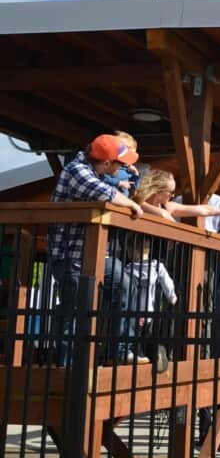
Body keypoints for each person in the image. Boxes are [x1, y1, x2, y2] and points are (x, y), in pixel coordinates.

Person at [48, 134, 144, 365]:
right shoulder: (76, 170)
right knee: (75, 311)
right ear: (108, 162)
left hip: (95, 254)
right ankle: (68, 371)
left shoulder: (95, 171)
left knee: (126, 286)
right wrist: (131, 204)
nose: (124, 167)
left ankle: (120, 350)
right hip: (70, 256)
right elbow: (104, 193)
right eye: (121, 163)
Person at [124, 240, 178, 369]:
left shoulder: (128, 268)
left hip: (134, 312)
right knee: (149, 336)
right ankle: (156, 353)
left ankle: (140, 356)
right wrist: (172, 297)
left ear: (132, 251)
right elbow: (168, 284)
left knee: (135, 341)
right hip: (150, 311)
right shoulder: (156, 266)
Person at [133, 169, 220, 222]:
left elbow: (204, 210)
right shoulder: (139, 203)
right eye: (170, 192)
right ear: (157, 192)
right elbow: (162, 215)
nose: (173, 195)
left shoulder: (169, 206)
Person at [101, 131, 141, 197]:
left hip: (123, 202)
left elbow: (134, 188)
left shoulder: (128, 169)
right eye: (129, 155)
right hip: (109, 198)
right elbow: (102, 178)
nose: (130, 159)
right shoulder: (110, 165)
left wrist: (136, 174)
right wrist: (119, 183)